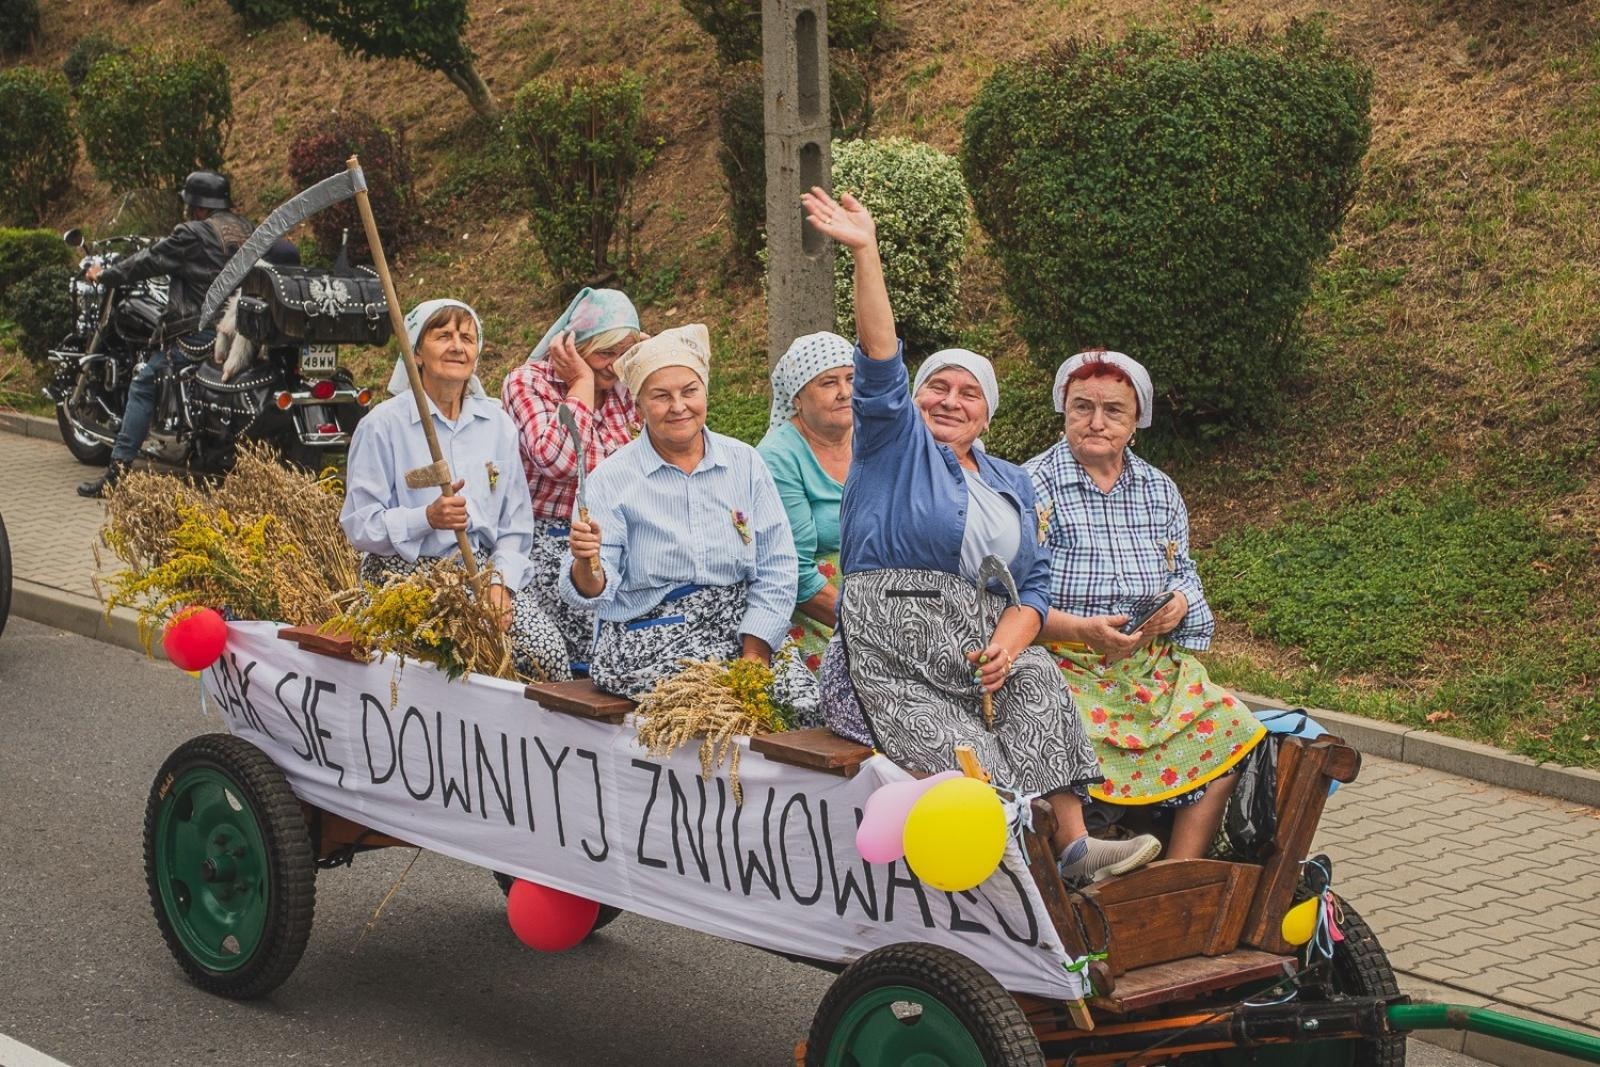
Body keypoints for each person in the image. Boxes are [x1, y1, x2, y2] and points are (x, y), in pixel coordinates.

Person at [803, 187, 1160, 885]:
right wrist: (866, 253)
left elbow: (1032, 585)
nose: (950, 400)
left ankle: (1076, 846)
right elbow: (879, 358)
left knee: (1039, 682)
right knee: (973, 756)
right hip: (895, 638)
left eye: (970, 393)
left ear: (987, 413)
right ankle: (1023, 885)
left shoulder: (1012, 481)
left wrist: (1009, 642)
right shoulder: (893, 442)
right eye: (938, 386)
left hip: (979, 641)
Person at [1029, 350, 1265, 860]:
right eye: (1081, 407)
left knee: (1232, 725)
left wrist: (1178, 603)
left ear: (1137, 421)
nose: (1096, 422)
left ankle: (1181, 873)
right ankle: (1087, 857)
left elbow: (1186, 573)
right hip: (1064, 661)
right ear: (1063, 411)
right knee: (1055, 722)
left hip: (1148, 663)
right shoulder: (1030, 487)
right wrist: (1083, 630)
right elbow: (1009, 598)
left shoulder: (1160, 490)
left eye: (1113, 410)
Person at [561, 325, 813, 708]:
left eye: (689, 391)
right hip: (650, 637)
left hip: (744, 632)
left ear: (705, 393)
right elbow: (591, 589)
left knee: (803, 706)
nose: (678, 406)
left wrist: (755, 654)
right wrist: (586, 562)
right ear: (639, 407)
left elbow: (777, 565)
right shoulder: (612, 480)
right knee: (715, 709)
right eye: (661, 396)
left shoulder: (743, 463)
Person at [340, 299, 569, 682]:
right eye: (442, 335)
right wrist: (425, 518)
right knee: (429, 667)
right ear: (416, 352)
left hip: (479, 573)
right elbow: (359, 525)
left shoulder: (496, 425)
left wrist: (501, 584)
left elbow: (515, 526)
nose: (457, 346)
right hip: (404, 579)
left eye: (467, 337)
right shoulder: (383, 425)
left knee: (547, 652)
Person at [79, 171, 253, 498]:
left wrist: (106, 275)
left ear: (197, 207)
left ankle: (115, 476)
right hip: (241, 328)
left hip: (201, 333)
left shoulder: (193, 233)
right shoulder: (246, 229)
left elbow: (149, 260)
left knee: (144, 382)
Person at [501, 288, 643, 663]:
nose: (614, 365)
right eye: (604, 352)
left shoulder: (625, 386)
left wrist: (646, 360)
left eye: (624, 353)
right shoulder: (528, 382)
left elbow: (648, 459)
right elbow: (559, 459)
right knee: (557, 661)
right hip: (544, 541)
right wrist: (580, 383)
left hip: (614, 537)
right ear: (577, 346)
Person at [756, 332, 855, 669]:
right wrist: (868, 625)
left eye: (852, 378)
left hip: (879, 604)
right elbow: (794, 573)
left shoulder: (871, 440)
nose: (845, 392)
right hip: (817, 616)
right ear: (797, 398)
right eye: (829, 383)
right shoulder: (779, 457)